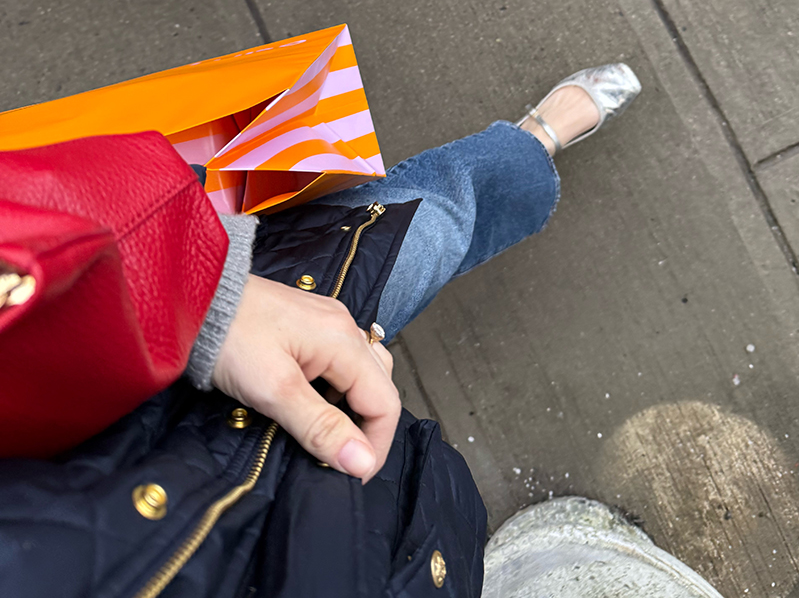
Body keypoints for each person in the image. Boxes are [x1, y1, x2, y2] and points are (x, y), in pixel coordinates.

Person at [0, 61, 640, 596]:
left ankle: (525, 145)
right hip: (369, 542)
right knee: (405, 240)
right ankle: (522, 149)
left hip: (162, 392)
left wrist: (198, 293)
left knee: (420, 226)